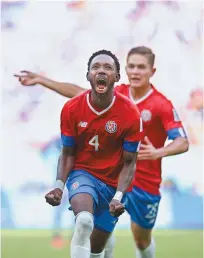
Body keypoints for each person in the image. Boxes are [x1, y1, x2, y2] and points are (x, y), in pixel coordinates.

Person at [15, 46, 189, 258]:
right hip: (108, 175)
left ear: (152, 72)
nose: (135, 72)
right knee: (94, 228)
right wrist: (43, 81)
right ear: (124, 70)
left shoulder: (161, 105)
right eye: (131, 66)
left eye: (141, 67)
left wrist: (157, 152)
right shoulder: (114, 92)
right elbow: (78, 92)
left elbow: (182, 141)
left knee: (141, 238)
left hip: (144, 180)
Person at [37, 49, 143, 258]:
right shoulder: (72, 108)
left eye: (107, 67)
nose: (101, 71)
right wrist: (59, 187)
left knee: (96, 250)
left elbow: (130, 162)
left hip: (113, 183)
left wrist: (119, 196)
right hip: (83, 174)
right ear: (88, 76)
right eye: (95, 67)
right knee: (84, 222)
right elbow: (67, 153)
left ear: (117, 77)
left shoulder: (130, 113)